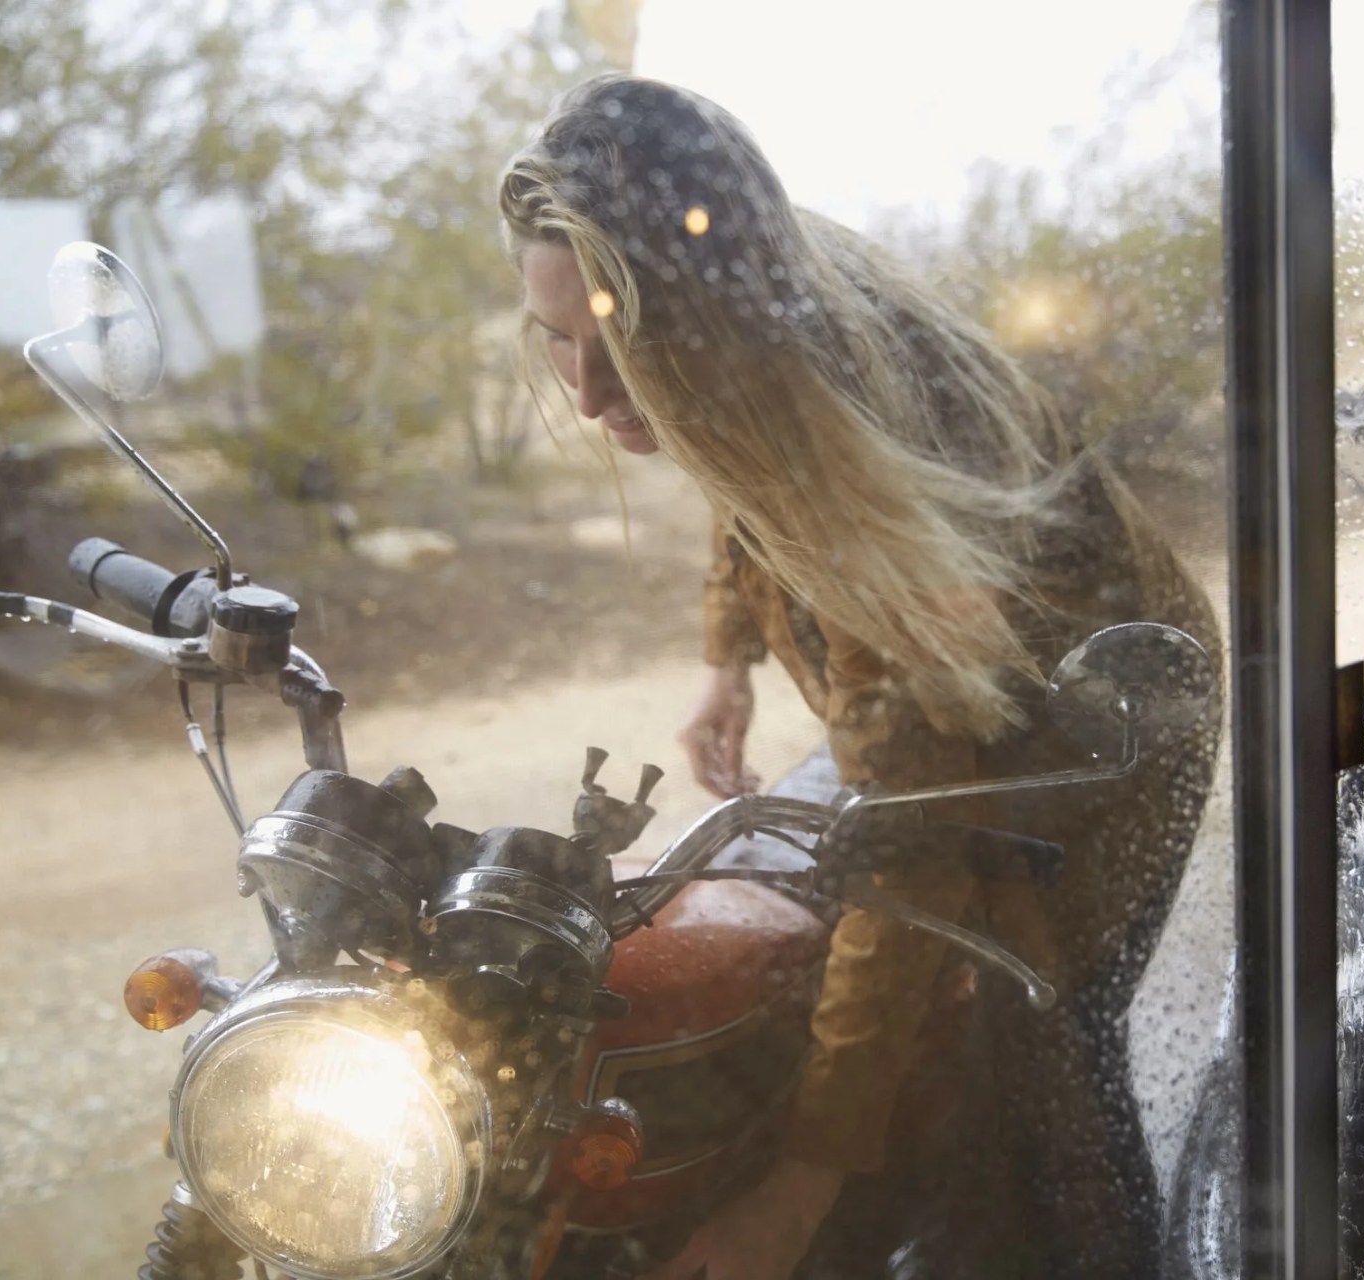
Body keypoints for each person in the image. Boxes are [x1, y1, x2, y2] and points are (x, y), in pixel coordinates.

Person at [499, 73, 1221, 1280]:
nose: (586, 394)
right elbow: (737, 472)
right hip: (940, 681)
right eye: (560, 339)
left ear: (702, 322)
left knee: (1041, 1068)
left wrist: (797, 1189)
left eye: (620, 339)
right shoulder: (751, 318)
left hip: (1107, 712)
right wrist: (724, 658)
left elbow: (910, 848)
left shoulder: (868, 429)